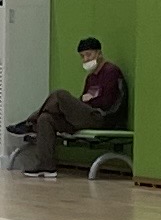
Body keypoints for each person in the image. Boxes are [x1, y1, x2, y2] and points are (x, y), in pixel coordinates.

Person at [7, 37, 127, 168]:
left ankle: (29, 122)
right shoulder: (91, 78)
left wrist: (89, 100)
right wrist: (83, 102)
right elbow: (83, 100)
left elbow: (108, 102)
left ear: (99, 53)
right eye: (82, 56)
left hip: (102, 117)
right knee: (45, 118)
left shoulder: (111, 72)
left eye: (88, 55)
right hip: (87, 116)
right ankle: (45, 165)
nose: (85, 59)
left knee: (60, 95)